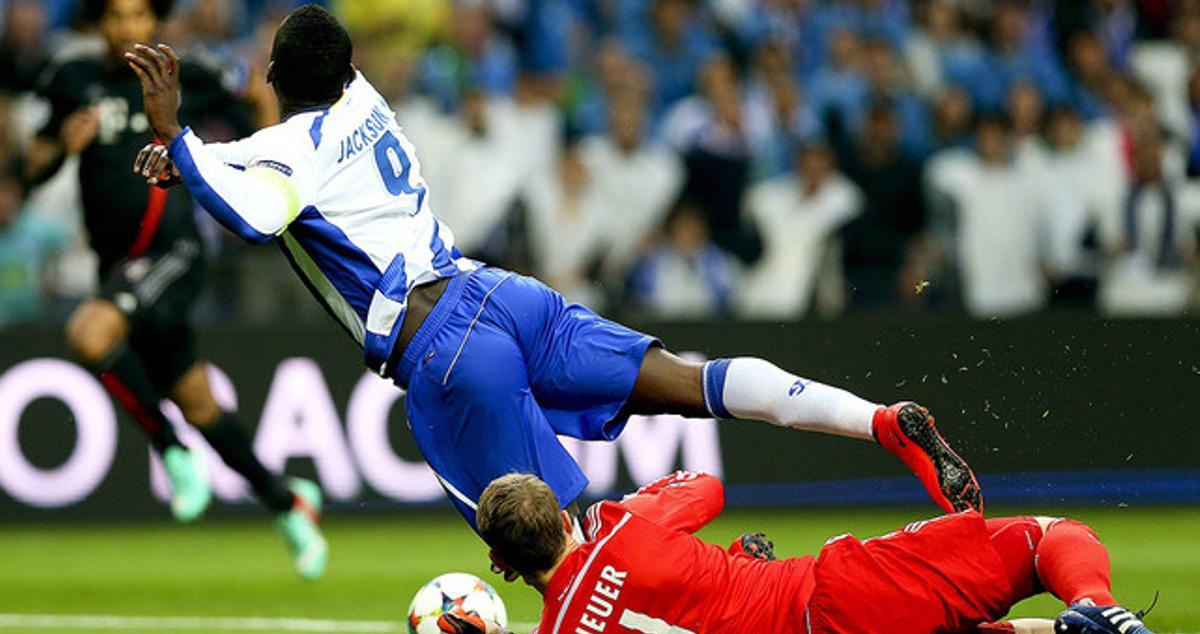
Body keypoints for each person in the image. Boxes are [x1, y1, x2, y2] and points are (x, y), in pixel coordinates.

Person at [123, 5, 982, 540]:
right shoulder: (366, 102)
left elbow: (255, 208)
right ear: (347, 70)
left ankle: (713, 575)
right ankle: (875, 419)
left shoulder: (280, 151)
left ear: (273, 77)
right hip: (499, 294)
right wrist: (192, 159)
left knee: (560, 552)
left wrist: (180, 136)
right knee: (691, 379)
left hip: (442, 350)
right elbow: (273, 166)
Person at [23, 0, 326, 580]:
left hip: (175, 252)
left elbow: (260, 99)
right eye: (116, 16)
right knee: (201, 404)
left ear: (154, 21)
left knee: (90, 332)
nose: (127, 28)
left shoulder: (187, 72)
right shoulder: (73, 79)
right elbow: (31, 168)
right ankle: (288, 503)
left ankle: (170, 450)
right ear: (99, 22)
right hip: (118, 267)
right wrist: (63, 142)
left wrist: (267, 178)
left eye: (138, 15)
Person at [438, 471, 1198, 634]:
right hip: (832, 597)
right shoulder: (615, 524)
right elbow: (706, 487)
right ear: (563, 518)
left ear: (502, 565)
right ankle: (1100, 601)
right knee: (1045, 539)